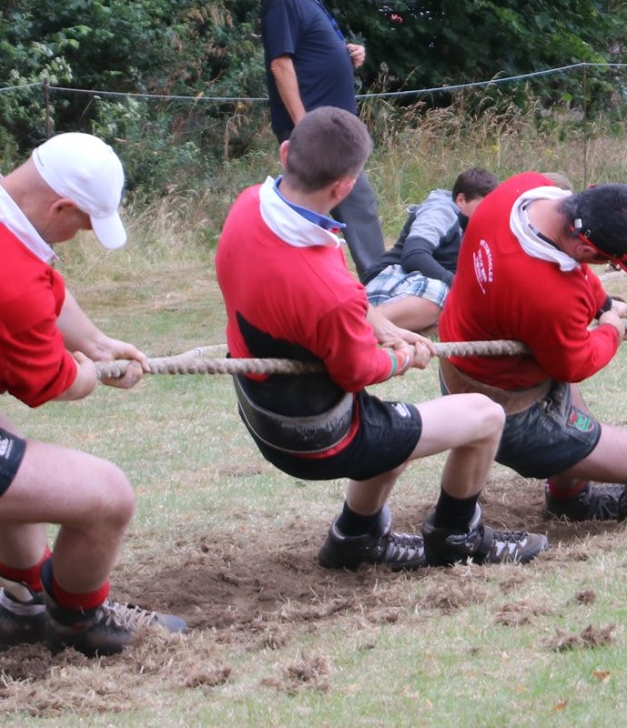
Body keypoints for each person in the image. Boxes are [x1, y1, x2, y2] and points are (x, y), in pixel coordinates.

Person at [216, 108, 547, 571]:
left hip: (261, 405)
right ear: (345, 187)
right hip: (315, 437)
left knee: (399, 430)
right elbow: (357, 370)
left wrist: (375, 320)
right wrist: (403, 357)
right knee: (485, 415)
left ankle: (355, 536)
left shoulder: (250, 204)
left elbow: (325, 302)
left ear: (286, 152)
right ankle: (458, 536)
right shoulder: (328, 290)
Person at [0, 134, 184, 657]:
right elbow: (52, 383)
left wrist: (97, 345)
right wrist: (90, 372)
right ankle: (80, 622)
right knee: (108, 496)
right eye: (82, 223)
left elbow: (42, 281)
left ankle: (25, 605)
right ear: (60, 205)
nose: (80, 236)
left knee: (6, 447)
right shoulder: (3, 278)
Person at [439, 174, 627, 521]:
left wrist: (604, 303)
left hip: (467, 367)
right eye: (608, 263)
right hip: (511, 412)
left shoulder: (522, 190)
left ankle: (569, 495)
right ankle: (614, 504)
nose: (606, 269)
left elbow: (570, 271)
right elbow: (574, 364)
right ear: (585, 249)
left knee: (575, 404)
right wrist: (611, 330)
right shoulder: (548, 297)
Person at [263, 0, 384, 279]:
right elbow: (280, 64)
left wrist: (347, 56)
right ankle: (382, 283)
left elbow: (308, 53)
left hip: (326, 125)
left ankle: (299, 276)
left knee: (313, 204)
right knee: (356, 202)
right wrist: (303, 125)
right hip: (318, 128)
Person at [362, 168, 498, 332]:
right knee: (441, 291)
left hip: (417, 289)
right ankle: (362, 326)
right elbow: (414, 255)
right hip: (392, 278)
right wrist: (457, 284)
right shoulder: (440, 211)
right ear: (461, 199)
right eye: (484, 206)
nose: (488, 212)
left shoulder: (480, 224)